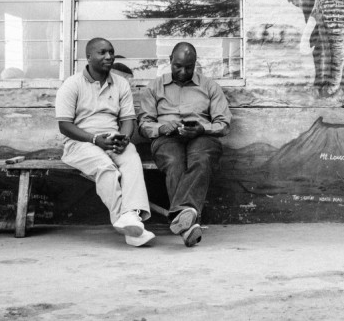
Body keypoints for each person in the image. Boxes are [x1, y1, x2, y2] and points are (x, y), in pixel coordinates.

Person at [55, 37, 155, 247]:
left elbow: (128, 120)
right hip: (80, 142)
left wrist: (125, 138)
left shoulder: (120, 84)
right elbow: (64, 126)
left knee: (132, 159)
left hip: (112, 140)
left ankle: (131, 223)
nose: (109, 56)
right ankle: (127, 220)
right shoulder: (71, 85)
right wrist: (93, 139)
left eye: (111, 52)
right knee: (106, 168)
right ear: (88, 57)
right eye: (102, 52)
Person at [138, 42, 231, 247]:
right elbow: (144, 125)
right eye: (177, 66)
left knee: (202, 159)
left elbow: (223, 124)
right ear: (170, 60)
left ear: (195, 64)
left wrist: (202, 128)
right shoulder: (154, 87)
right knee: (174, 161)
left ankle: (182, 218)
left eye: (188, 67)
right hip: (166, 138)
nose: (182, 71)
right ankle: (188, 221)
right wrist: (162, 128)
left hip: (202, 136)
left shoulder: (209, 87)